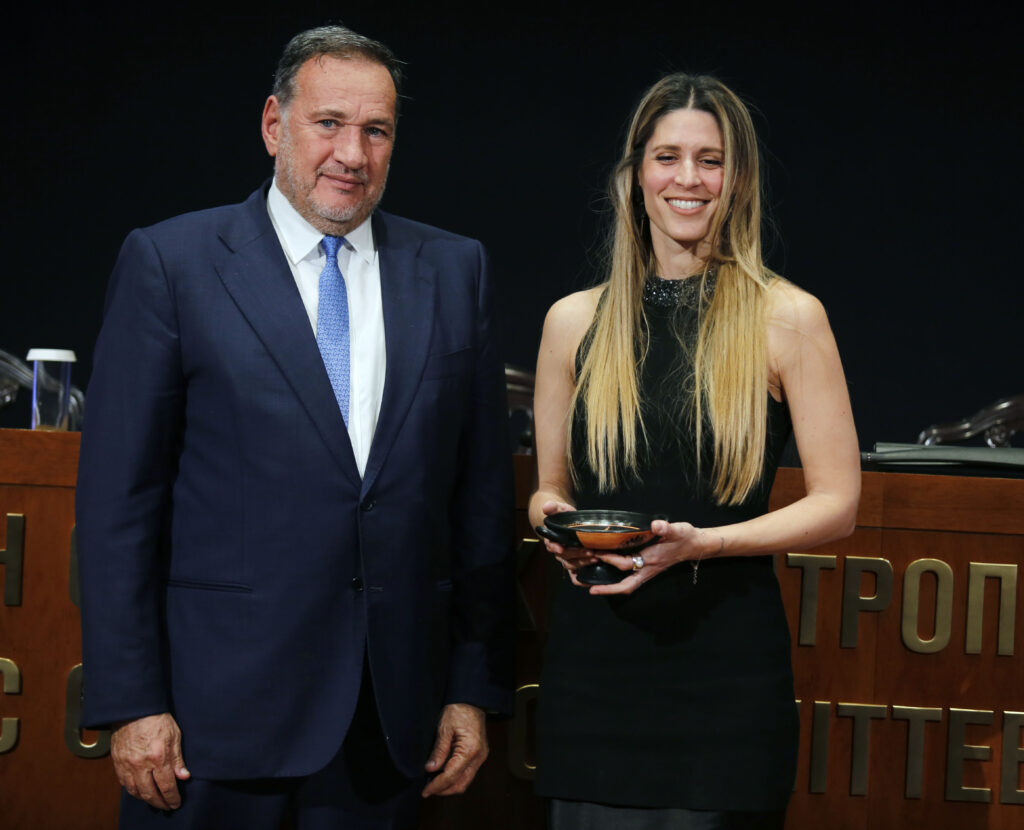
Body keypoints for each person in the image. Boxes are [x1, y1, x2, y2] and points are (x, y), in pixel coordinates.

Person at [76, 24, 514, 829]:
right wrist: (132, 701)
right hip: (207, 728)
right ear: (275, 125)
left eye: (376, 130)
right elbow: (118, 508)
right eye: (329, 123)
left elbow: (479, 503)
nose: (353, 153)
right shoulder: (171, 264)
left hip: (390, 728)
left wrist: (470, 687)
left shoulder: (456, 271)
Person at [529, 73, 861, 829]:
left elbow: (839, 504)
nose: (688, 179)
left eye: (710, 161)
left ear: (737, 180)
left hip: (726, 687)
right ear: (634, 174)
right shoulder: (571, 323)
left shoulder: (789, 318)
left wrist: (704, 544)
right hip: (593, 680)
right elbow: (549, 489)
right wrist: (555, 523)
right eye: (667, 157)